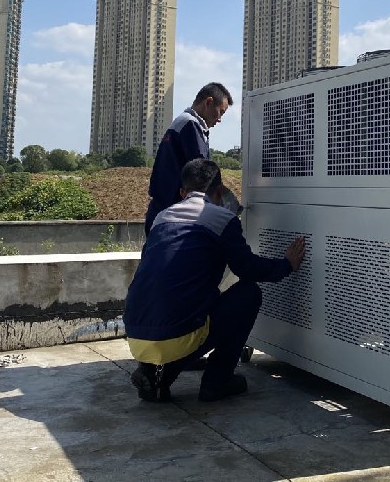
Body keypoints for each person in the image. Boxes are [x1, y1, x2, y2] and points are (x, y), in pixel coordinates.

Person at [125, 158, 306, 402]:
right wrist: (286, 265)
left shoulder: (161, 218)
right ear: (220, 191)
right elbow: (248, 269)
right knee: (247, 294)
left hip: (136, 336)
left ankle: (157, 373)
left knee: (188, 309)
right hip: (177, 334)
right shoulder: (221, 218)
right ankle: (217, 381)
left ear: (182, 192)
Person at [145, 82, 233, 230]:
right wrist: (232, 207)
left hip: (162, 210)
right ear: (209, 102)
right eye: (221, 112)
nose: (219, 119)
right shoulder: (190, 125)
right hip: (173, 213)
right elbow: (204, 174)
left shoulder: (183, 122)